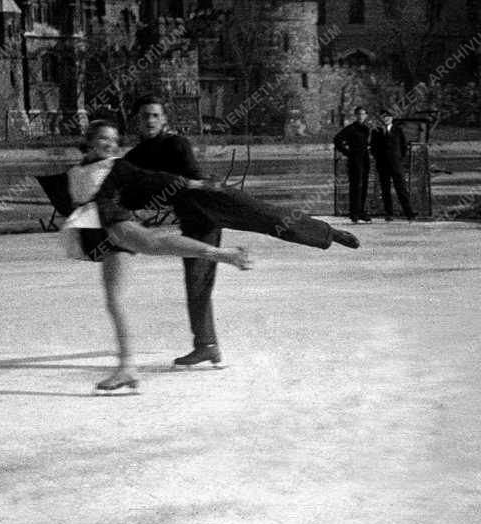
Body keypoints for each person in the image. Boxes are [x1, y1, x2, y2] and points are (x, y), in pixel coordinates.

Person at [59, 121, 361, 392]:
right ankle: (137, 364)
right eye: (103, 138)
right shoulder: (84, 169)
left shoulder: (124, 164)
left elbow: (158, 179)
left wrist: (199, 184)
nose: (110, 144)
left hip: (129, 222)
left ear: (163, 119)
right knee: (116, 301)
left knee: (156, 242)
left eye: (113, 139)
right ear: (88, 141)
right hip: (106, 234)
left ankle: (228, 254)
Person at [122, 95, 223, 369]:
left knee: (197, 281)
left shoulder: (176, 144)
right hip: (188, 220)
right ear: (137, 120)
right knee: (196, 280)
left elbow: (194, 177)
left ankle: (207, 346)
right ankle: (207, 344)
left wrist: (165, 186)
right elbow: (125, 178)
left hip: (204, 215)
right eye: (145, 115)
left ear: (165, 119)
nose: (150, 120)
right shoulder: (139, 152)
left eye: (156, 115)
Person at [369, 109, 416, 221]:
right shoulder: (376, 131)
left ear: (392, 118)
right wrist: (379, 159)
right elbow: (373, 148)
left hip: (396, 165)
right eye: (383, 117)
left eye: (388, 117)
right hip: (383, 165)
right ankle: (389, 213)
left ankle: (409, 213)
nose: (386, 119)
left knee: (401, 189)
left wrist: (398, 159)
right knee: (385, 190)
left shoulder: (398, 130)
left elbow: (404, 147)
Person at [333, 106, 372, 223]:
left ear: (366, 116)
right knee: (355, 186)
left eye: (363, 114)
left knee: (364, 185)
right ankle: (354, 213)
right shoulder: (351, 128)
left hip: (365, 159)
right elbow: (337, 139)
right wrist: (348, 153)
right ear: (356, 116)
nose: (361, 116)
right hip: (355, 160)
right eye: (359, 114)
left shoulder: (367, 129)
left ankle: (361, 211)